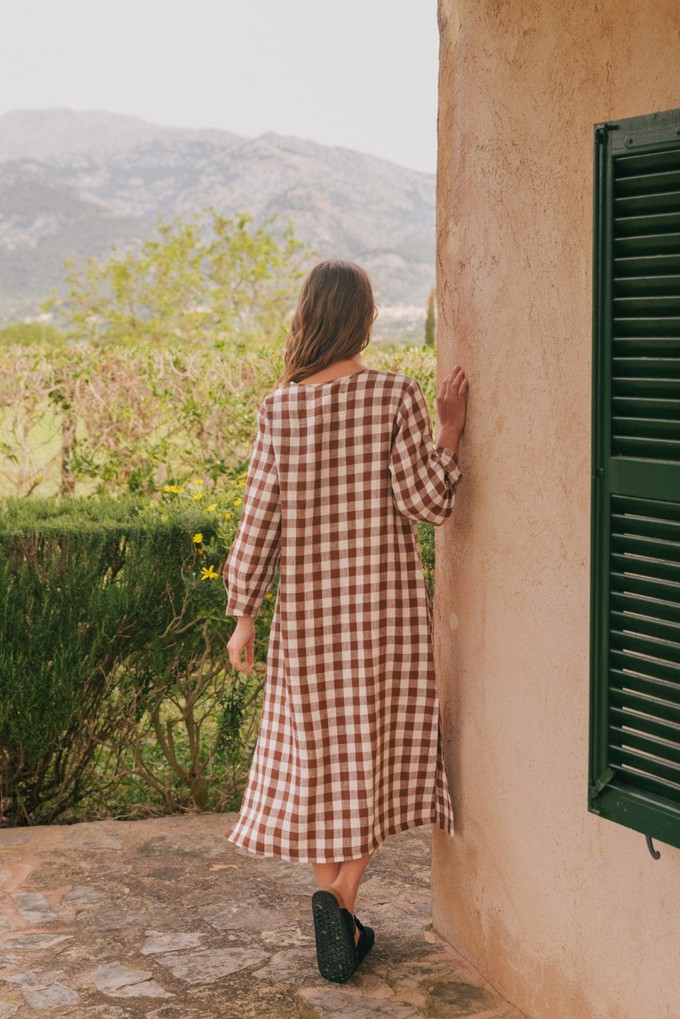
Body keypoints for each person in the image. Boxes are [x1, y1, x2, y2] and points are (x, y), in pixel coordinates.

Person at [222, 259, 468, 983]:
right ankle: (340, 904)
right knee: (374, 755)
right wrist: (450, 433)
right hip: (382, 617)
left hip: (307, 625)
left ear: (308, 316)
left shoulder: (279, 407)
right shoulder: (393, 394)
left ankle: (342, 913)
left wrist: (244, 615)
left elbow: (257, 518)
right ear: (362, 317)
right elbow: (429, 502)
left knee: (320, 763)